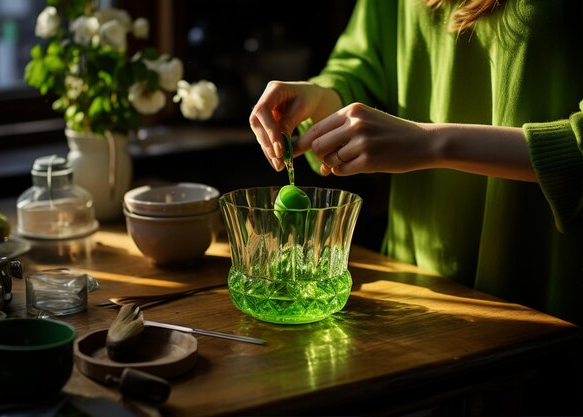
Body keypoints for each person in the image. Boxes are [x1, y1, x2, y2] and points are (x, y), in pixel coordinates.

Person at [249, 0, 583, 326]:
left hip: (544, 294)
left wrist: (432, 143)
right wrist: (322, 99)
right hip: (415, 286)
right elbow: (363, 64)